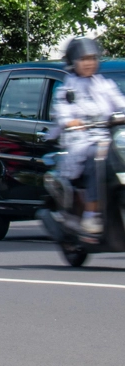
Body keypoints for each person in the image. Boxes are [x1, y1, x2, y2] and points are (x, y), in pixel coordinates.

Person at [54, 37, 125, 238]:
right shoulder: (67, 89)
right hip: (81, 141)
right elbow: (62, 113)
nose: (89, 63)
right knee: (98, 156)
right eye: (83, 59)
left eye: (92, 58)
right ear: (74, 61)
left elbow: (120, 103)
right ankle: (91, 213)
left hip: (109, 138)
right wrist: (71, 122)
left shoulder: (104, 85)